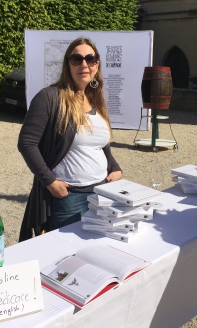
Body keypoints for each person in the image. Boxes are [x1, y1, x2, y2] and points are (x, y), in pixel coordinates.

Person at [17, 38, 122, 241]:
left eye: (90, 59)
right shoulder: (50, 97)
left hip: (101, 193)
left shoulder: (95, 100)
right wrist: (49, 182)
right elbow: (26, 142)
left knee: (93, 252)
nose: (84, 64)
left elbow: (100, 145)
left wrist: (115, 168)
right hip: (69, 198)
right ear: (68, 64)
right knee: (63, 256)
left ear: (96, 64)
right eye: (77, 59)